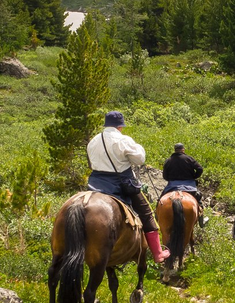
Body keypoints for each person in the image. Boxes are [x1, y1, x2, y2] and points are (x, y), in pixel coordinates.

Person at [86, 111, 169, 262]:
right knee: (146, 212)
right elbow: (139, 159)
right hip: (120, 183)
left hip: (96, 183)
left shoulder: (94, 141)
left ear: (106, 124)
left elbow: (92, 163)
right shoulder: (123, 140)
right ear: (120, 126)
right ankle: (157, 253)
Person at [161, 143, 207, 226]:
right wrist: (194, 177)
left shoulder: (169, 160)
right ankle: (201, 219)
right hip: (189, 185)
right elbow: (200, 169)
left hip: (172, 185)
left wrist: (171, 179)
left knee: (160, 200)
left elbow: (164, 176)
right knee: (198, 200)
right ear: (183, 149)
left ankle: (158, 216)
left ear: (175, 150)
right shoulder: (189, 159)